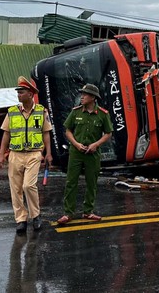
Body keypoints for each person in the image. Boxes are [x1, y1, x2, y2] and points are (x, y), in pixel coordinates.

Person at [0, 76, 53, 233]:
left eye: (21, 92)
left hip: (34, 154)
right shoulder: (12, 112)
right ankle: (21, 219)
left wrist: (48, 153)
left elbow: (46, 133)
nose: (18, 95)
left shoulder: (41, 111)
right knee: (15, 188)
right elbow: (6, 134)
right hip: (15, 154)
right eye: (18, 92)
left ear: (30, 94)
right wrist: (2, 154)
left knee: (28, 185)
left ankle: (35, 216)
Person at [57, 84, 113, 225]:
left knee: (91, 183)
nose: (82, 96)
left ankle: (88, 211)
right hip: (76, 152)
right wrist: (76, 144)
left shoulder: (102, 114)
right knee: (71, 182)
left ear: (93, 97)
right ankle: (68, 213)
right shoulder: (76, 112)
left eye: (85, 94)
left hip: (92, 153)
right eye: (81, 94)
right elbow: (68, 130)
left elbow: (108, 133)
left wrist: (96, 144)